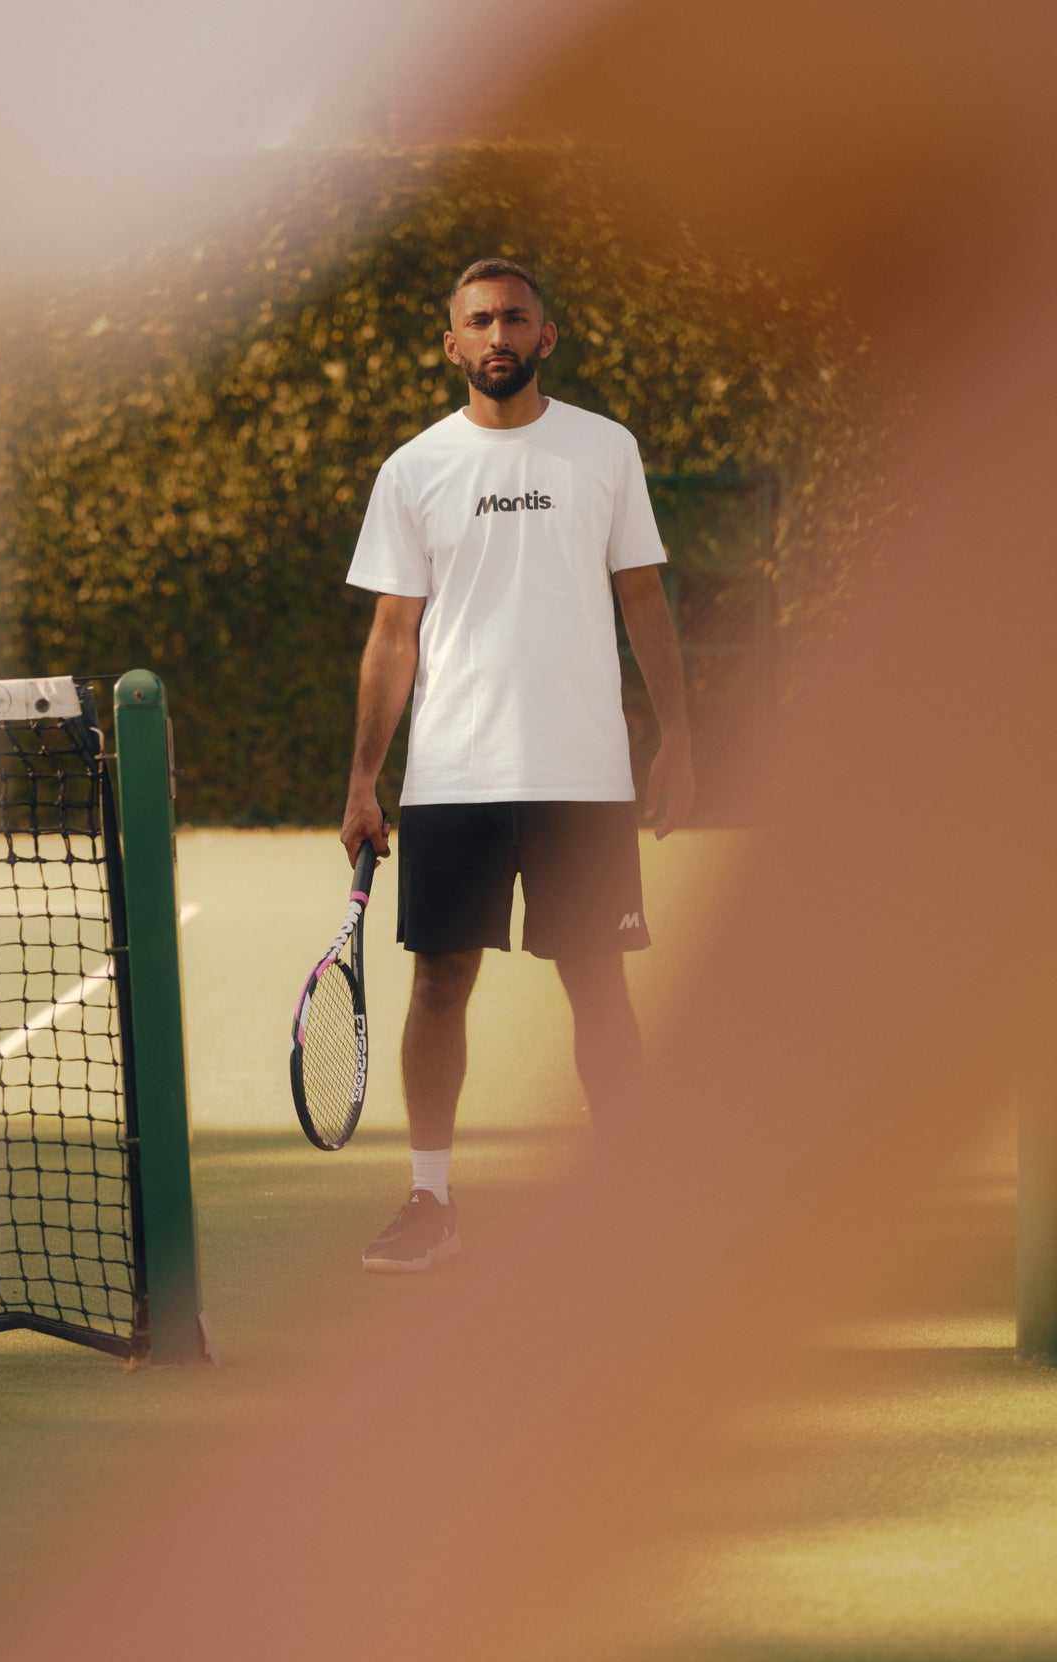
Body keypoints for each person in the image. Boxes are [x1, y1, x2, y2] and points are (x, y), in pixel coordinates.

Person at [340, 256, 695, 1273]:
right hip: (453, 777)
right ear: (450, 344)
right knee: (438, 986)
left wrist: (678, 735)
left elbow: (642, 601)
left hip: (584, 777)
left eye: (514, 318)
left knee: (598, 987)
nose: (497, 334)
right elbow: (390, 635)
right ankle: (429, 1199)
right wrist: (364, 778)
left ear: (546, 336)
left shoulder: (603, 450)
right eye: (478, 321)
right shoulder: (412, 470)